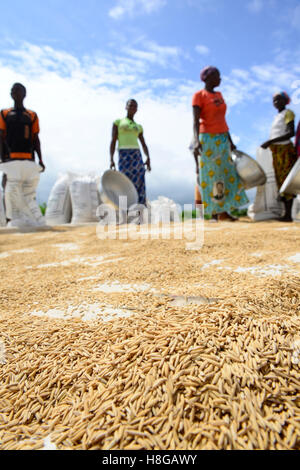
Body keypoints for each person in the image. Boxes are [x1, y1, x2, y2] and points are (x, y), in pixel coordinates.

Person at [192, 66, 249, 222]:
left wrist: (230, 142)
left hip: (222, 139)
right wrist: (196, 140)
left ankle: (223, 211)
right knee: (210, 175)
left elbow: (223, 120)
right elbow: (195, 121)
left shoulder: (219, 95)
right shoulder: (199, 96)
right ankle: (212, 213)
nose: (220, 79)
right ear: (208, 78)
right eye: (217, 76)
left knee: (225, 174)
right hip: (207, 139)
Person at [0, 83, 45, 225]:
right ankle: (10, 220)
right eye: (13, 90)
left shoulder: (31, 115)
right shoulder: (5, 114)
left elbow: (36, 138)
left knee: (28, 191)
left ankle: (31, 220)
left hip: (27, 159)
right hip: (10, 159)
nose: (15, 92)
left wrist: (41, 159)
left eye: (18, 90)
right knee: (8, 187)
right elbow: (1, 137)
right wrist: (2, 159)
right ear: (11, 94)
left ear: (24, 94)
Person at [261, 92, 297, 222]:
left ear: (285, 100)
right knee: (280, 181)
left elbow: (290, 132)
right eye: (274, 100)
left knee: (286, 180)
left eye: (278, 99)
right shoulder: (277, 116)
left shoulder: (288, 113)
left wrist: (270, 141)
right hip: (277, 151)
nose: (275, 102)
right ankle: (285, 213)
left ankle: (288, 215)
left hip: (285, 151)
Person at [110, 99, 151, 206]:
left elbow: (143, 144)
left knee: (140, 181)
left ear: (137, 109)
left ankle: (140, 209)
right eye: (130, 105)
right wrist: (111, 159)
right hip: (124, 154)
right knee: (124, 180)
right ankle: (125, 209)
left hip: (136, 154)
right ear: (126, 107)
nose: (132, 107)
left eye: (135, 106)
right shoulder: (118, 122)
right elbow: (113, 141)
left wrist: (148, 158)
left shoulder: (138, 127)